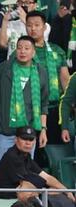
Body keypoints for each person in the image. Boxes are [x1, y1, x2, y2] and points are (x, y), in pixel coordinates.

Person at [0, 36, 48, 172]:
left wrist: (43, 129)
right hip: (3, 131)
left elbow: (43, 104)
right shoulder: (3, 69)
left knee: (25, 172)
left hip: (27, 134)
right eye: (19, 48)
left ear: (33, 52)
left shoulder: (41, 72)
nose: (22, 51)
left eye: (27, 48)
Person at [0, 126, 74, 200]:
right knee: (30, 190)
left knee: (57, 191)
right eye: (24, 139)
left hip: (17, 198)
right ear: (16, 139)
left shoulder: (26, 156)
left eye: (31, 139)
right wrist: (47, 191)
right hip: (3, 199)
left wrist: (66, 191)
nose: (28, 143)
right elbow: (26, 184)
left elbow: (46, 177)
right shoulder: (12, 155)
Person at [25, 11, 70, 144]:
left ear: (44, 27)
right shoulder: (21, 52)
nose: (33, 29)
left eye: (37, 25)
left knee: (55, 147)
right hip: (30, 111)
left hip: (55, 110)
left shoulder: (57, 51)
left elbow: (65, 80)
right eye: (29, 25)